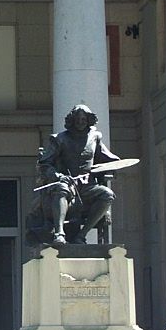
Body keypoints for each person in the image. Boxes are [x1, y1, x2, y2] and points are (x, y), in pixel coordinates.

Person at [30, 103, 118, 245]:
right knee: (61, 190)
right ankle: (59, 234)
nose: (81, 122)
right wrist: (58, 176)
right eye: (78, 120)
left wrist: (116, 164)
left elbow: (107, 157)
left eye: (84, 120)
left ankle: (81, 235)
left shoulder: (95, 137)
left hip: (89, 186)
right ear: (72, 121)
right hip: (67, 183)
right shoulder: (60, 139)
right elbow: (45, 164)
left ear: (89, 120)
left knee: (107, 195)